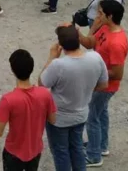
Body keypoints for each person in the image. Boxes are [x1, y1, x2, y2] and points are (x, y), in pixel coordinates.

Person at [39, 25, 109, 171]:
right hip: (81, 114)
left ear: (61, 45)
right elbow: (104, 84)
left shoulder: (58, 65)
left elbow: (42, 83)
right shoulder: (95, 57)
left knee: (61, 152)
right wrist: (86, 89)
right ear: (78, 40)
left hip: (58, 118)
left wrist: (51, 57)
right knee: (77, 148)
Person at [78, 0, 128, 167]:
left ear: (110, 16)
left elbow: (118, 73)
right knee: (101, 114)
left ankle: (93, 156)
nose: (97, 16)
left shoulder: (116, 43)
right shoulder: (105, 28)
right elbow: (89, 43)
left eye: (100, 13)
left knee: (92, 117)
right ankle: (101, 146)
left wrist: (95, 73)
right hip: (100, 83)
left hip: (104, 86)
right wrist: (85, 31)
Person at [0, 49, 57, 171]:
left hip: (13, 152)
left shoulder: (8, 100)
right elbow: (53, 120)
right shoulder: (45, 94)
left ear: (13, 70)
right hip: (35, 150)